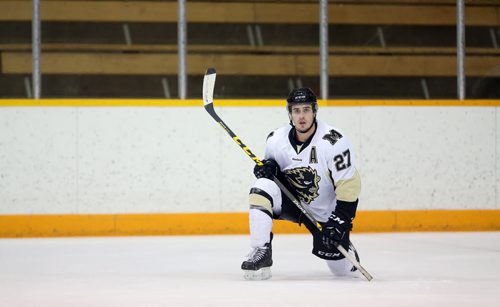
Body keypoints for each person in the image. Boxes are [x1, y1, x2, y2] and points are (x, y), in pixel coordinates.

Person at [241, 87, 362, 280]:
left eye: (306, 109)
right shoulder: (276, 139)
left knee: (342, 271)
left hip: (326, 216)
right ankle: (260, 251)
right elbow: (273, 174)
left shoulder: (333, 141)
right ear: (290, 114)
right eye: (296, 111)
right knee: (262, 187)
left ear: (314, 111)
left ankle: (349, 257)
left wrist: (340, 220)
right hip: (295, 203)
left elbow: (349, 185)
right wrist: (267, 168)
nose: (302, 116)